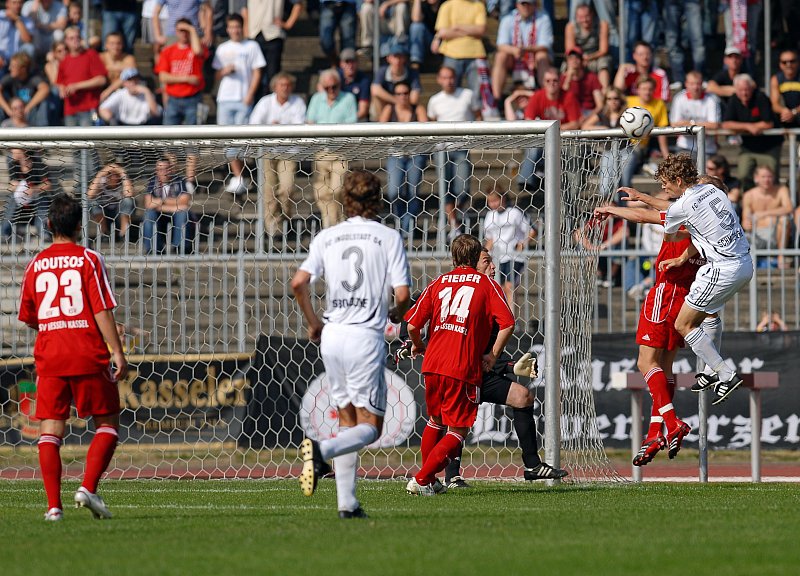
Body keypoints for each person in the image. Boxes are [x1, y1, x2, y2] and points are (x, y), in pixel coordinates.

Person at [291, 169, 411, 519]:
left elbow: (298, 283)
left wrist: (313, 322)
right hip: (364, 337)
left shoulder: (328, 236)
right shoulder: (388, 237)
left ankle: (348, 504)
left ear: (345, 200)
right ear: (378, 200)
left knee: (347, 419)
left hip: (332, 335)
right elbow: (403, 294)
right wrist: (396, 312)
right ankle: (321, 450)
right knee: (370, 427)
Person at [18, 192, 128, 521]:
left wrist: (58, 325)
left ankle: (54, 507)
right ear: (80, 226)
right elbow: (102, 309)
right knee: (107, 423)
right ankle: (88, 488)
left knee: (50, 430)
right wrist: (117, 351)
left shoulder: (36, 264)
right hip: (86, 352)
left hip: (51, 355)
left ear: (48, 224)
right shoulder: (89, 259)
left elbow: (31, 316)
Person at [617, 153, 752, 406]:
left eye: (666, 184)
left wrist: (667, 229)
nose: (664, 189)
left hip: (722, 268)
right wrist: (644, 197)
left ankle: (726, 375)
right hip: (744, 263)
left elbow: (669, 231)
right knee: (709, 313)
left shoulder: (682, 207)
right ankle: (711, 370)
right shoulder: (714, 191)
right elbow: (692, 221)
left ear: (678, 180)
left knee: (683, 324)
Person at [438, 248, 567, 486]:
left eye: (492, 261)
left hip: (480, 372)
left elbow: (486, 352)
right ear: (471, 265)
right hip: (459, 371)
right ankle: (449, 476)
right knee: (455, 423)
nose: (493, 267)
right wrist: (408, 340)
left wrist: (509, 366)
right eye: (486, 262)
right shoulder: (460, 294)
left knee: (523, 396)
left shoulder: (490, 292)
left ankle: (532, 465)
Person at [593, 191, 706, 464]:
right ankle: (655, 433)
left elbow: (644, 216)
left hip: (666, 292)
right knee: (665, 367)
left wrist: (613, 210)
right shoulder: (711, 226)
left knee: (645, 363)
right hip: (688, 297)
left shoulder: (684, 218)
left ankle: (672, 422)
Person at [403, 234, 515, 496]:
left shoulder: (438, 282)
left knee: (435, 420)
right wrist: (493, 355)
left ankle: (430, 480)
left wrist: (418, 345)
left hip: (433, 363)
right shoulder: (487, 284)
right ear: (476, 257)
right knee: (458, 430)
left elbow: (412, 326)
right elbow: (508, 323)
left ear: (453, 258)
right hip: (462, 365)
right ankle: (422, 480)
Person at [249, 72, 306, 238]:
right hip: (267, 152)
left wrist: (280, 127)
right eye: (282, 85)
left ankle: (286, 218)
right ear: (275, 87)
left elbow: (300, 126)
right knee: (269, 191)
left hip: (289, 152)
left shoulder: (298, 103)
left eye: (288, 85)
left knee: (287, 188)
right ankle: (273, 228)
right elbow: (253, 123)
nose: (285, 88)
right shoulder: (265, 102)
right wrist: (270, 127)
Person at [213, 13, 265, 195]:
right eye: (231, 27)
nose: (235, 30)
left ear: (242, 27)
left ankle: (240, 176)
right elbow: (216, 75)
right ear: (227, 29)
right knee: (226, 139)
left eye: (237, 26)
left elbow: (257, 71)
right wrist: (224, 71)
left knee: (241, 140)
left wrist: (250, 93)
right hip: (225, 99)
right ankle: (239, 177)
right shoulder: (222, 48)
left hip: (243, 98)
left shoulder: (252, 46)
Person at [426, 65, 480, 239]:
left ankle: (455, 218)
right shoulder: (434, 100)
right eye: (444, 77)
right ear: (439, 80)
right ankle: (454, 225)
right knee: (445, 190)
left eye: (451, 77)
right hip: (442, 150)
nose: (448, 81)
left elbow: (478, 115)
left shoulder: (467, 95)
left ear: (456, 78)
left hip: (462, 148)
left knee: (463, 190)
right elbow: (432, 122)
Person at [306, 68, 358, 228]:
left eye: (334, 87)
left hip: (340, 153)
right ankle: (330, 224)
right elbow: (310, 121)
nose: (331, 90)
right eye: (327, 87)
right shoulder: (316, 99)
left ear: (339, 84)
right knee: (321, 193)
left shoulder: (348, 98)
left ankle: (336, 224)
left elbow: (352, 124)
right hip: (320, 152)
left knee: (337, 190)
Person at [380, 80, 427, 236]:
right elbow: (379, 130)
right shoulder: (389, 109)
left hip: (415, 154)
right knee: (394, 192)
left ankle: (408, 226)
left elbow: (426, 130)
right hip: (395, 154)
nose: (402, 97)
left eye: (405, 93)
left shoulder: (418, 108)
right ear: (394, 95)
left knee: (413, 192)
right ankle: (399, 221)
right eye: (398, 93)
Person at [721, 74, 783, 192]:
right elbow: (726, 124)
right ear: (736, 90)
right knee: (743, 175)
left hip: (769, 147)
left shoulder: (760, 97)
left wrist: (742, 127)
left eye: (747, 90)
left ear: (752, 88)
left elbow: (768, 123)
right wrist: (748, 127)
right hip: (748, 148)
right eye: (741, 90)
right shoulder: (734, 99)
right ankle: (748, 200)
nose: (744, 93)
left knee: (769, 178)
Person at [491, 0, 552, 102]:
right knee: (500, 56)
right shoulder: (508, 18)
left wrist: (526, 50)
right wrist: (514, 50)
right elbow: (501, 45)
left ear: (534, 5)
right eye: (523, 4)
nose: (526, 7)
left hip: (535, 59)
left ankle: (547, 98)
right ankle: (495, 100)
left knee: (542, 55)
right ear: (517, 5)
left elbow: (545, 45)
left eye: (529, 4)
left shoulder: (543, 18)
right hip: (514, 59)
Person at [481, 185, 532, 307]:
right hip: (498, 257)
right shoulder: (490, 216)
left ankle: (512, 317)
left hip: (514, 256)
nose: (493, 204)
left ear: (503, 198)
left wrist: (522, 244)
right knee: (501, 289)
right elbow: (490, 239)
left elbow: (531, 231)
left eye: (495, 200)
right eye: (490, 202)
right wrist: (485, 253)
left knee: (510, 286)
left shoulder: (514, 213)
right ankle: (507, 315)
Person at [242, 0, 302, 93]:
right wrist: (246, 32)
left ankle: (272, 99)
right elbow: (244, 10)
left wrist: (288, 24)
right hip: (253, 35)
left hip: (274, 35)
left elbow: (298, 4)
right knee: (254, 75)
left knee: (273, 74)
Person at [741, 165, 793, 269]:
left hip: (776, 235)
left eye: (769, 176)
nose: (767, 180)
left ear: (773, 178)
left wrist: (764, 214)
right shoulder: (749, 195)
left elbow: (789, 208)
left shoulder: (781, 190)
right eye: (763, 177)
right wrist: (746, 223)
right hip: (756, 236)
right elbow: (745, 219)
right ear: (756, 178)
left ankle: (781, 256)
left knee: (784, 219)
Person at [142, 157, 193, 255]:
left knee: (183, 214)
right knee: (149, 214)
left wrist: (160, 202)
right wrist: (173, 205)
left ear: (171, 169)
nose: (163, 172)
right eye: (160, 170)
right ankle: (153, 249)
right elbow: (148, 204)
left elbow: (185, 202)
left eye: (166, 169)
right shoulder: (152, 182)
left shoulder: (180, 180)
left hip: (175, 216)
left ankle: (180, 247)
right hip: (160, 215)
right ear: (156, 171)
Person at [1, 147, 51, 240]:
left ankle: (43, 232)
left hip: (37, 196)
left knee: (42, 200)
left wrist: (34, 189)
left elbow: (48, 184)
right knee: (12, 199)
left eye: (14, 149)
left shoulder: (37, 164)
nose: (12, 151)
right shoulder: (14, 165)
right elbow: (12, 183)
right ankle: (4, 233)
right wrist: (15, 186)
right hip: (21, 198)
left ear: (23, 150)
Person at [669, 70, 721, 157]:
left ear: (702, 84)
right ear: (686, 84)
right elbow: (674, 124)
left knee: (711, 165)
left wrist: (690, 123)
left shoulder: (712, 99)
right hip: (685, 147)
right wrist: (702, 125)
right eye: (692, 84)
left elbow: (714, 125)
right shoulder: (679, 99)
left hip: (708, 149)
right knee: (681, 164)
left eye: (698, 84)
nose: (695, 87)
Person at [564, 3, 610, 88]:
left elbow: (603, 50)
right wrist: (580, 59)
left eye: (587, 16)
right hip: (578, 56)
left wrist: (588, 58)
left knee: (603, 64)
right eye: (581, 17)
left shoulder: (602, 25)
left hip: (596, 56)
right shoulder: (571, 27)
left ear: (592, 15)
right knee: (569, 65)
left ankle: (604, 90)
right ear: (576, 17)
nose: (584, 20)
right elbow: (570, 50)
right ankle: (566, 90)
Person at [370, 44, 421, 119]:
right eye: (395, 57)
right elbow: (375, 90)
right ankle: (380, 122)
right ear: (388, 58)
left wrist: (401, 100)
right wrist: (396, 100)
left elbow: (414, 99)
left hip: (405, 107)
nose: (398, 60)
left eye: (400, 57)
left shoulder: (412, 73)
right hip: (387, 104)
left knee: (419, 108)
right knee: (376, 98)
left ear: (404, 58)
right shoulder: (382, 71)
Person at [0, 51, 50, 127]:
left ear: (23, 69)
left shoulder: (33, 78)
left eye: (13, 66)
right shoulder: (10, 78)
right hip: (13, 114)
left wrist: (28, 107)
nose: (9, 68)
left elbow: (45, 89)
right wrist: (8, 110)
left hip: (30, 115)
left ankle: (42, 129)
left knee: (44, 103)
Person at [86, 162, 135, 238]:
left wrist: (123, 173)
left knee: (128, 201)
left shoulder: (123, 182)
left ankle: (124, 234)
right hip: (104, 215)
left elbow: (129, 194)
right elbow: (89, 195)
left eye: (116, 174)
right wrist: (100, 174)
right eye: (110, 174)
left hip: (119, 215)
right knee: (94, 203)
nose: (113, 177)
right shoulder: (101, 182)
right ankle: (104, 234)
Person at [559, 46, 602, 116]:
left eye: (577, 58)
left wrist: (589, 118)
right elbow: (561, 100)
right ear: (567, 61)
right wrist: (568, 78)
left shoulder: (592, 77)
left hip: (588, 112)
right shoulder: (562, 78)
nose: (574, 60)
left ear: (582, 61)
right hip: (570, 112)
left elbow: (600, 105)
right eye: (571, 58)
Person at [98, 31, 136, 103]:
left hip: (123, 93)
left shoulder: (129, 58)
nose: (115, 47)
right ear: (106, 45)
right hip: (102, 92)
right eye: (112, 44)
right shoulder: (100, 57)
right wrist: (120, 67)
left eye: (118, 43)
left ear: (122, 45)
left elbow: (130, 74)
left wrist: (109, 90)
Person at [707, 46, 746, 111]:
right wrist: (735, 91)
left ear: (741, 60)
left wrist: (720, 89)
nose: (734, 60)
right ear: (725, 60)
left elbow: (750, 88)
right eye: (730, 57)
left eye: (736, 57)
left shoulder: (746, 74)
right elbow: (710, 87)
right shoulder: (721, 74)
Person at [338, 48, 371, 121]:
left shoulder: (364, 80)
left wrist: (347, 121)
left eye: (353, 61)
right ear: (341, 64)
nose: (350, 65)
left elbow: (363, 110)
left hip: (355, 118)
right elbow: (321, 86)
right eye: (347, 62)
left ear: (357, 63)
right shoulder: (335, 77)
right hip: (337, 114)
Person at [769, 48, 800, 128]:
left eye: (792, 61)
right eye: (784, 62)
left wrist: (794, 112)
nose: (788, 65)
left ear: (798, 62)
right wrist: (783, 110)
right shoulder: (776, 79)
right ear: (780, 64)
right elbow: (775, 104)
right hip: (785, 116)